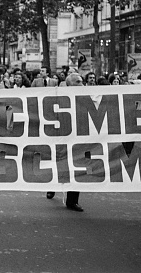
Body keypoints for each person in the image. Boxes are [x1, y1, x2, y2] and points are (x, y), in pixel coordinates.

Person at [46, 72, 84, 212]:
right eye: (78, 82)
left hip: (79, 137)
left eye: (82, 81)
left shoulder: (86, 97)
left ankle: (72, 200)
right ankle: (52, 186)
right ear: (69, 84)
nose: (82, 84)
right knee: (59, 164)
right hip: (61, 136)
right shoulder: (58, 97)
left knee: (77, 165)